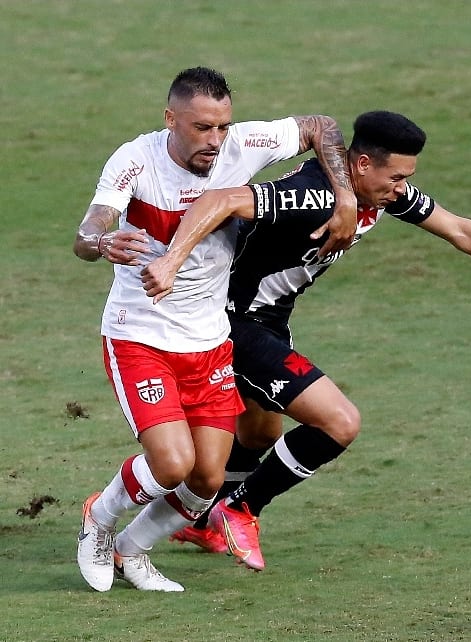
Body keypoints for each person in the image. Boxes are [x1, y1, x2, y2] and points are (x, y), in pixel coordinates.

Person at [141, 110, 471, 572]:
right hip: (230, 324)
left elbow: (459, 229)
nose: (402, 188)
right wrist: (172, 260)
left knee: (261, 433)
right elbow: (223, 200)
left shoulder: (378, 194)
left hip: (269, 321)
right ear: (362, 164)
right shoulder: (309, 196)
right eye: (397, 177)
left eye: (407, 178)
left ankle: (201, 520)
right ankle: (239, 508)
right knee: (339, 422)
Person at [73, 66, 357, 592]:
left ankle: (132, 550)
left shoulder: (244, 144)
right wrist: (101, 242)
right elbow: (89, 229)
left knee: (207, 479)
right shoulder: (136, 159)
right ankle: (101, 518)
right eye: (202, 127)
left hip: (209, 340)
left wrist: (345, 197)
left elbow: (322, 126)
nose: (215, 139)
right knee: (172, 464)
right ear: (170, 119)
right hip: (141, 334)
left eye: (222, 126)